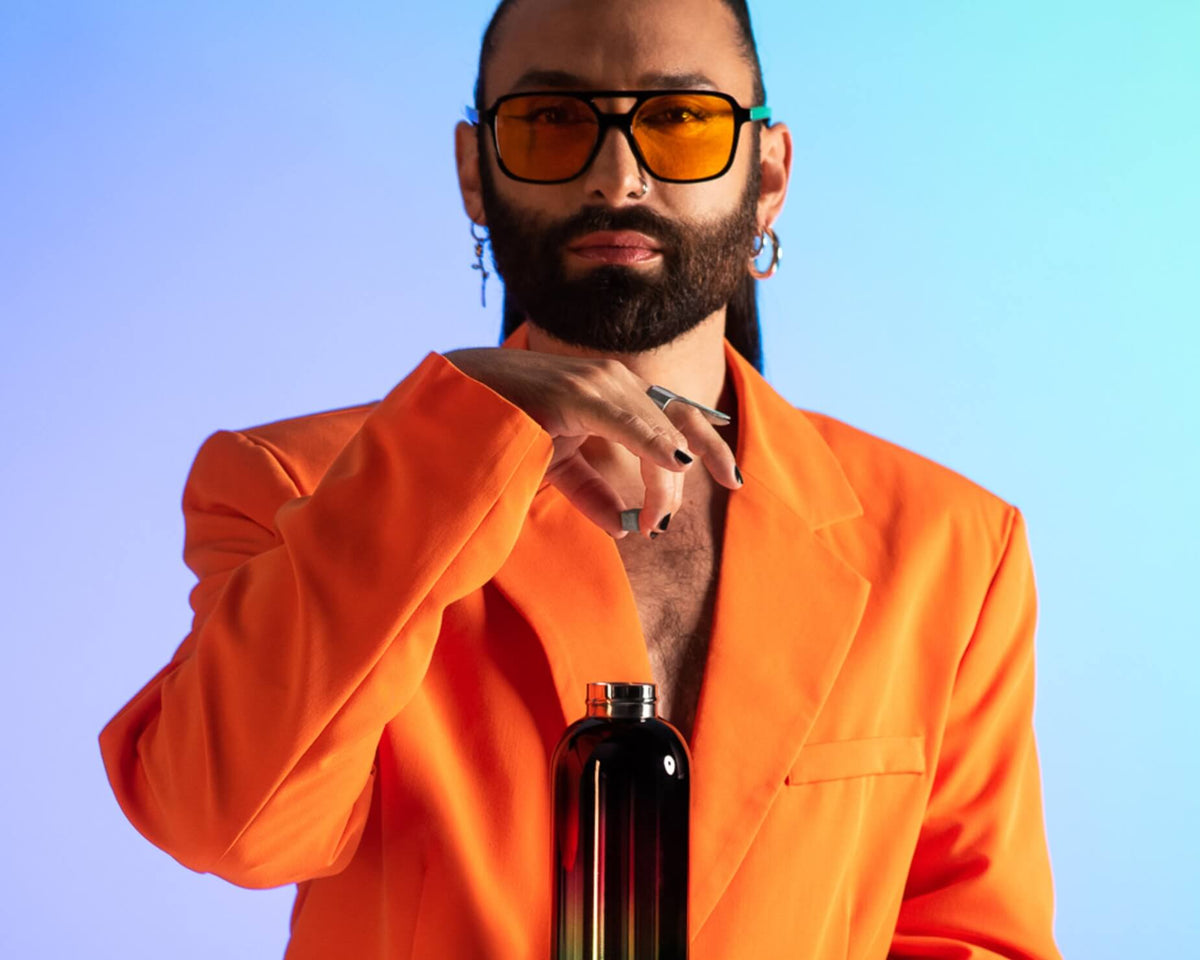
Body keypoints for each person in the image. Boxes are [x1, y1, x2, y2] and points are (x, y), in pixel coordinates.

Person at [98, 0, 1063, 957]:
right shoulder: (293, 483)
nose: (617, 175)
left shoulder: (948, 545)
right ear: (475, 172)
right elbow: (227, 824)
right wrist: (449, 449)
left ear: (767, 174)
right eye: (552, 119)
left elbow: (970, 937)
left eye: (681, 118)